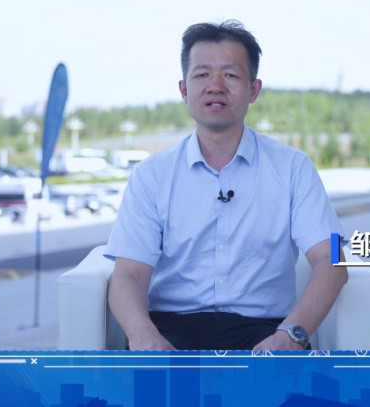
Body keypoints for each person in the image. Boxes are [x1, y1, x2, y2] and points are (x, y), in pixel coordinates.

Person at [104, 20, 348, 351]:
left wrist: (291, 335)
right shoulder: (150, 175)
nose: (215, 86)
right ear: (184, 90)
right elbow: (128, 276)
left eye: (231, 75)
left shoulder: (294, 168)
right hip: (170, 331)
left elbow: (332, 260)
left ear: (253, 90)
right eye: (202, 74)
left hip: (268, 332)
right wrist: (143, 335)